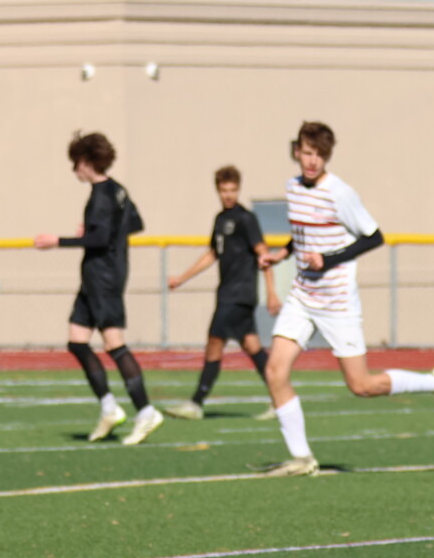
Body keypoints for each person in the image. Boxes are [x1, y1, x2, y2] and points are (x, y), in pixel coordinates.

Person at [251, 120, 434, 477]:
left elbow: (373, 237)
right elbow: (302, 235)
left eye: (319, 154)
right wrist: (282, 254)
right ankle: (302, 458)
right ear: (296, 151)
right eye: (307, 152)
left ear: (327, 156)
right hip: (303, 295)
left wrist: (329, 260)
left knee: (361, 386)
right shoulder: (293, 187)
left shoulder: (340, 192)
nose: (312, 161)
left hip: (337, 303)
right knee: (275, 370)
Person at [30, 131, 161, 444]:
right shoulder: (117, 191)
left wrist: (58, 241)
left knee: (114, 344)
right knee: (77, 341)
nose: (74, 168)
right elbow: (135, 223)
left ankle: (145, 411)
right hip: (94, 278)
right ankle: (109, 408)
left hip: (104, 278)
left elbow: (101, 240)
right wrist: (99, 229)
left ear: (86, 161)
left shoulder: (102, 194)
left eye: (76, 161)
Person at [165, 165, 278, 418]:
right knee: (252, 347)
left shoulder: (246, 219)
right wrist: (182, 278)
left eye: (233, 190)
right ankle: (280, 399)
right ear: (218, 190)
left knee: (214, 342)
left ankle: (196, 403)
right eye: (224, 190)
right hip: (228, 292)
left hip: (239, 294)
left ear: (238, 189)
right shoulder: (220, 219)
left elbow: (263, 254)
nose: (229, 195)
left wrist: (272, 291)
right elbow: (213, 254)